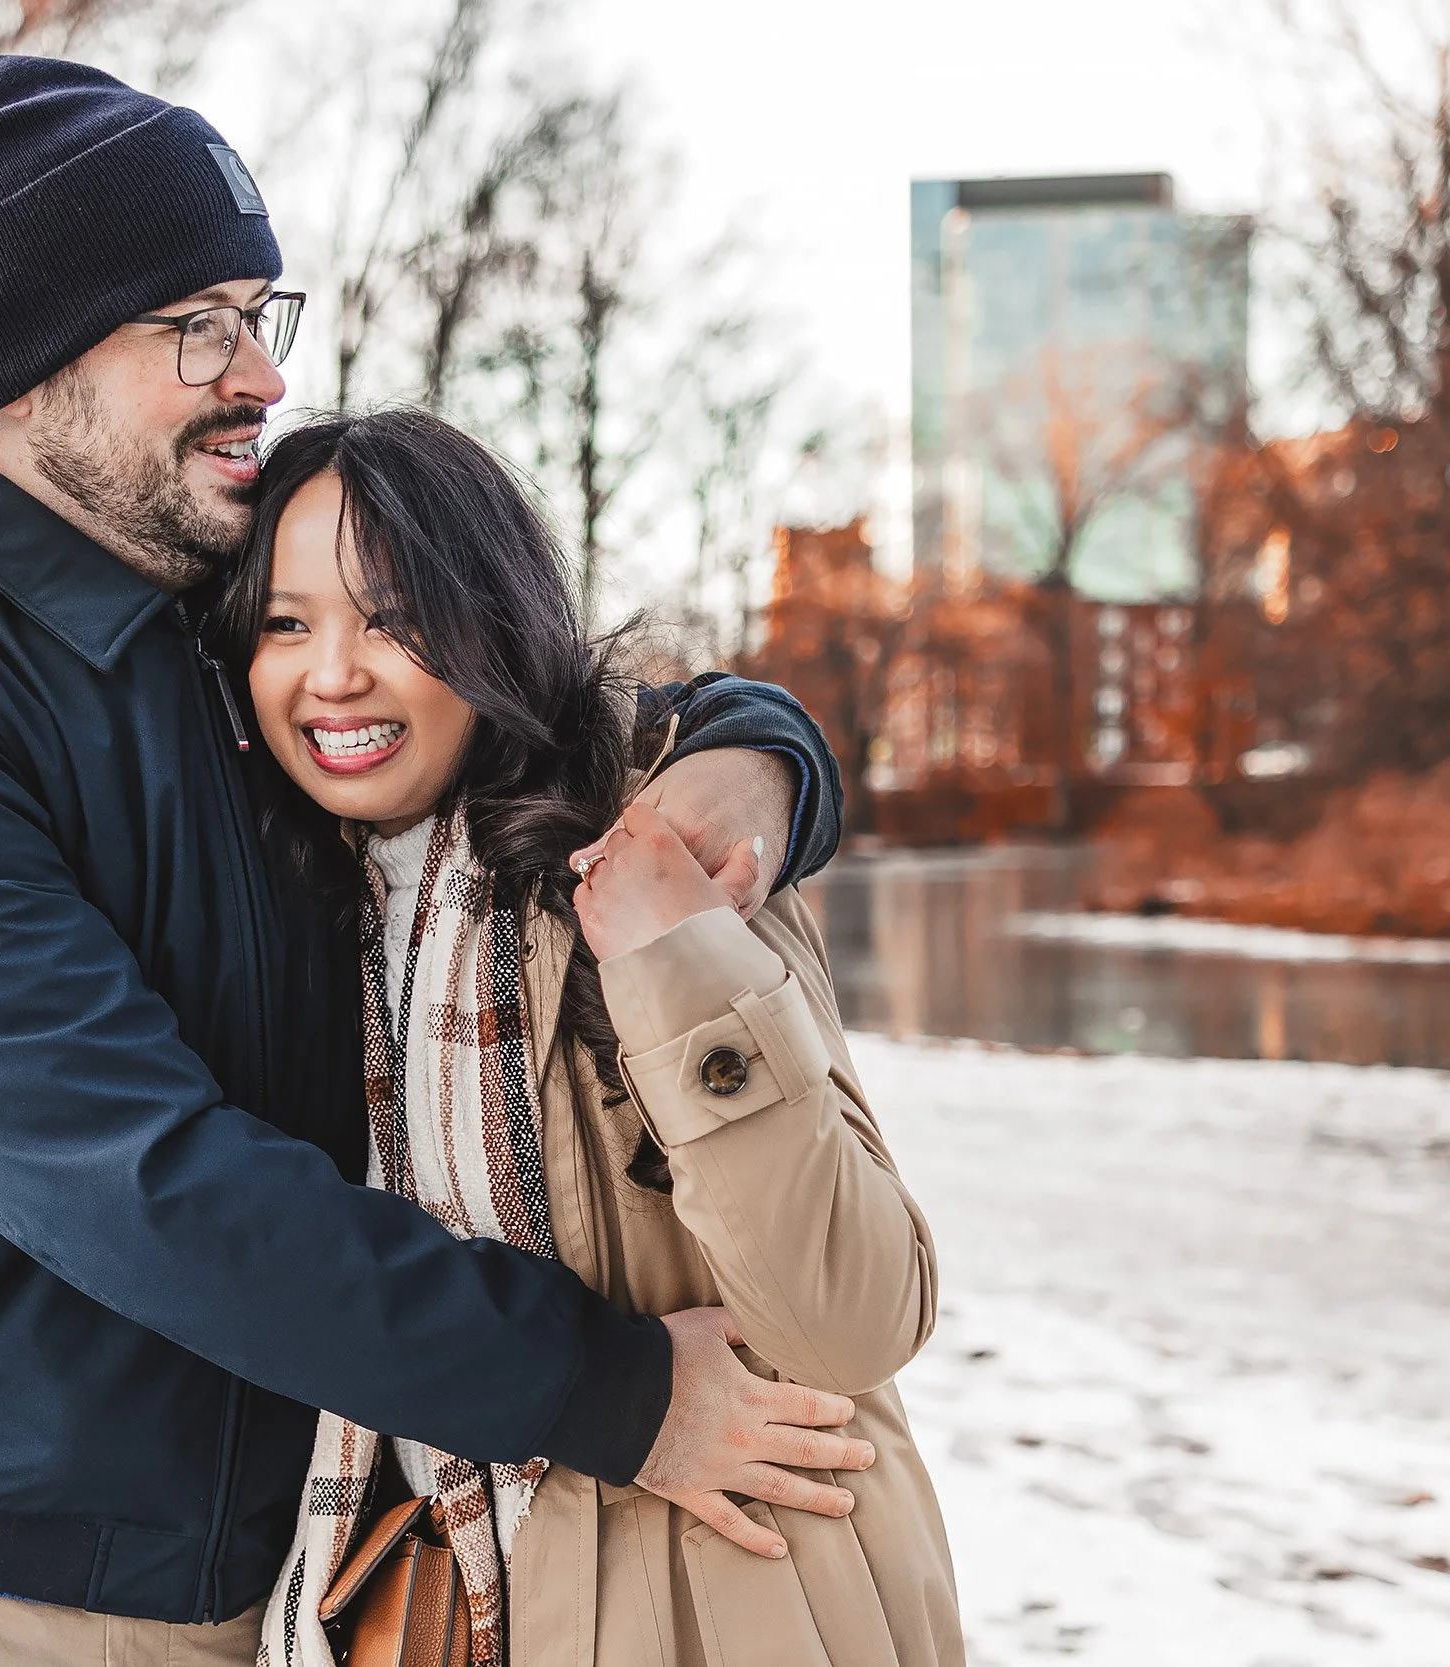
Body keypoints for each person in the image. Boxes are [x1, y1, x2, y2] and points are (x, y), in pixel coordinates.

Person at [0, 55, 864, 1667]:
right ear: (30, 358)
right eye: (198, 324)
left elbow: (539, 691)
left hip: (239, 1574)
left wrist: (755, 760)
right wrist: (613, 1391)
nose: (257, 371)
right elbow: (145, 1182)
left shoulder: (231, 607)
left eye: (260, 312)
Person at [224, 406, 963, 1666]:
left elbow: (854, 1312)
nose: (333, 672)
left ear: (488, 622)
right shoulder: (276, 903)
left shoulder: (659, 834)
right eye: (286, 623)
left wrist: (672, 960)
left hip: (722, 1603)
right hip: (408, 1599)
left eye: (392, 616)